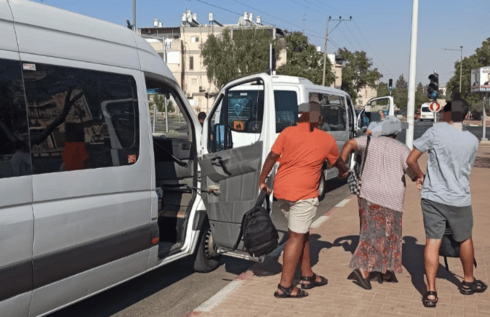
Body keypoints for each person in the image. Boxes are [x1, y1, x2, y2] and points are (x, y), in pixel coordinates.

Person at [258, 101, 349, 298]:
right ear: (318, 119)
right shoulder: (326, 139)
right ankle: (285, 286)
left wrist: (262, 180)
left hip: (282, 191)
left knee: (301, 231)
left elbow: (272, 156)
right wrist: (345, 171)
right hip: (303, 194)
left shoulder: (287, 132)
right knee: (296, 237)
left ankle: (307, 275)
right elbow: (338, 162)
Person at [406, 101, 487, 308]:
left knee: (432, 240)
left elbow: (411, 160)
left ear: (447, 113)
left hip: (433, 197)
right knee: (464, 238)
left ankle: (431, 292)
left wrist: (420, 176)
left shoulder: (435, 132)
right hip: (459, 198)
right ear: (466, 116)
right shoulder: (472, 139)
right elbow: (466, 168)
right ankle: (468, 281)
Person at [338, 116, 416, 290]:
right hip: (392, 197)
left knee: (371, 231)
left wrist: (342, 166)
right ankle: (363, 271)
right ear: (396, 132)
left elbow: (350, 143)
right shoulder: (402, 148)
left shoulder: (369, 142)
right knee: (390, 234)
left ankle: (385, 271)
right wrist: (419, 177)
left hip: (368, 194)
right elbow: (412, 171)